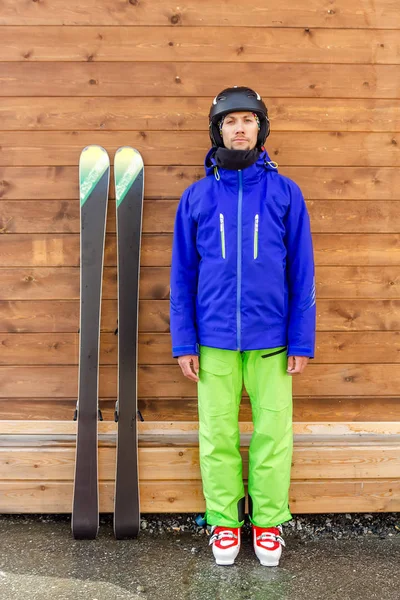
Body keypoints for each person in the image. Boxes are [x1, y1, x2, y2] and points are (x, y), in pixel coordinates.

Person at [169, 86, 316, 567]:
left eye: (248, 121)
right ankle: (225, 523)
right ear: (218, 130)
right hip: (212, 342)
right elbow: (182, 274)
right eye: (230, 121)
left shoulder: (285, 193)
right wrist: (184, 340)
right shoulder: (196, 197)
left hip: (272, 341)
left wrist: (301, 338)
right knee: (217, 435)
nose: (239, 128)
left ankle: (269, 523)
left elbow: (302, 271)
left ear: (260, 129)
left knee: (275, 433)